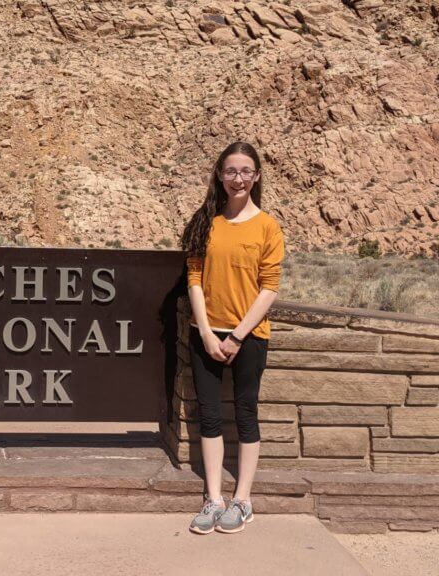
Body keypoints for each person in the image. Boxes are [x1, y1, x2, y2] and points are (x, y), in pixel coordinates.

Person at [178, 141, 285, 535]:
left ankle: (242, 500)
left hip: (249, 336)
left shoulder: (267, 226)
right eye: (230, 171)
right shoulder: (208, 222)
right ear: (219, 176)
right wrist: (206, 331)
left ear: (256, 176)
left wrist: (237, 336)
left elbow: (269, 288)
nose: (237, 179)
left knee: (244, 414)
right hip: (205, 334)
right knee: (208, 415)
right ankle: (214, 498)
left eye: (245, 171)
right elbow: (194, 278)